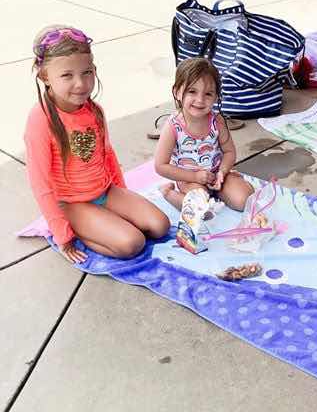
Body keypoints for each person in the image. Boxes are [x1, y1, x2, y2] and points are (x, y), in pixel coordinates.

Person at [25, 25, 170, 264]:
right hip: (72, 203)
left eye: (87, 72)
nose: (81, 84)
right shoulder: (41, 120)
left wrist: (123, 195)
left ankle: (102, 222)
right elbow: (40, 182)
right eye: (67, 75)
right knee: (132, 243)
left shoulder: (94, 110)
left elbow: (107, 154)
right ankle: (81, 228)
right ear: (45, 77)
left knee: (160, 226)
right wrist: (63, 235)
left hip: (105, 191)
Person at [155, 57, 254, 211]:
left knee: (245, 201)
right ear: (177, 92)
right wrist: (195, 177)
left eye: (208, 94)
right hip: (189, 179)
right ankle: (168, 192)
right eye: (192, 91)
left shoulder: (217, 121)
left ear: (216, 97)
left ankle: (222, 189)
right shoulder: (173, 126)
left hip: (217, 175)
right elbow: (160, 166)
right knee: (200, 207)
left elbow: (229, 152)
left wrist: (222, 172)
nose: (200, 100)